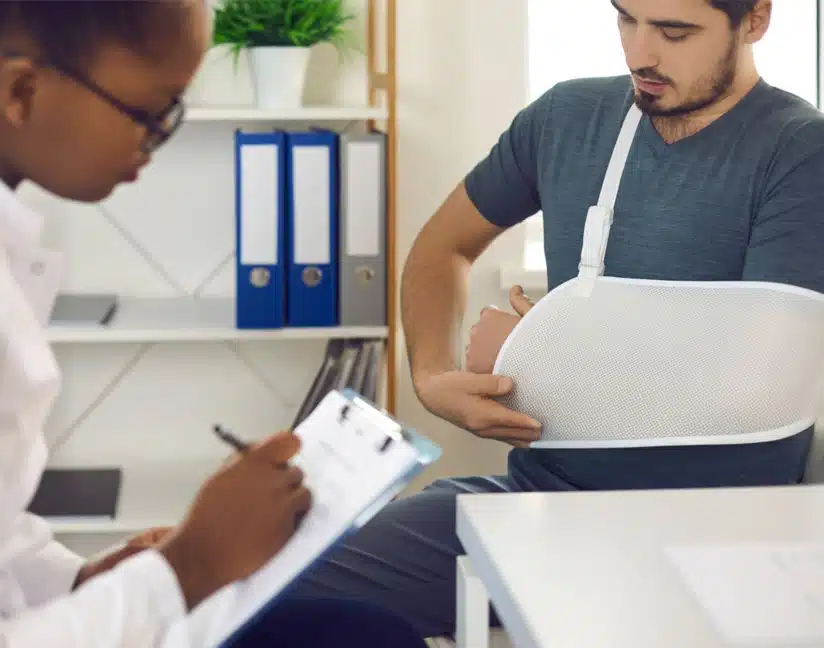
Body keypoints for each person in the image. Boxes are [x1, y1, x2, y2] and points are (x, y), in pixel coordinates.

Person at [0, 1, 428, 647]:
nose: (155, 141)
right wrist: (190, 565)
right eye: (152, 112)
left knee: (359, 631)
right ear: (23, 89)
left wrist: (84, 581)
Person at [291, 0, 824, 638]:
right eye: (626, 20)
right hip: (538, 503)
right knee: (264, 590)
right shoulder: (566, 118)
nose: (640, 54)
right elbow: (442, 248)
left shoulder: (801, 151)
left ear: (755, 20)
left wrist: (540, 353)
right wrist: (432, 377)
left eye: (674, 32)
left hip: (714, 528)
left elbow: (752, 388)